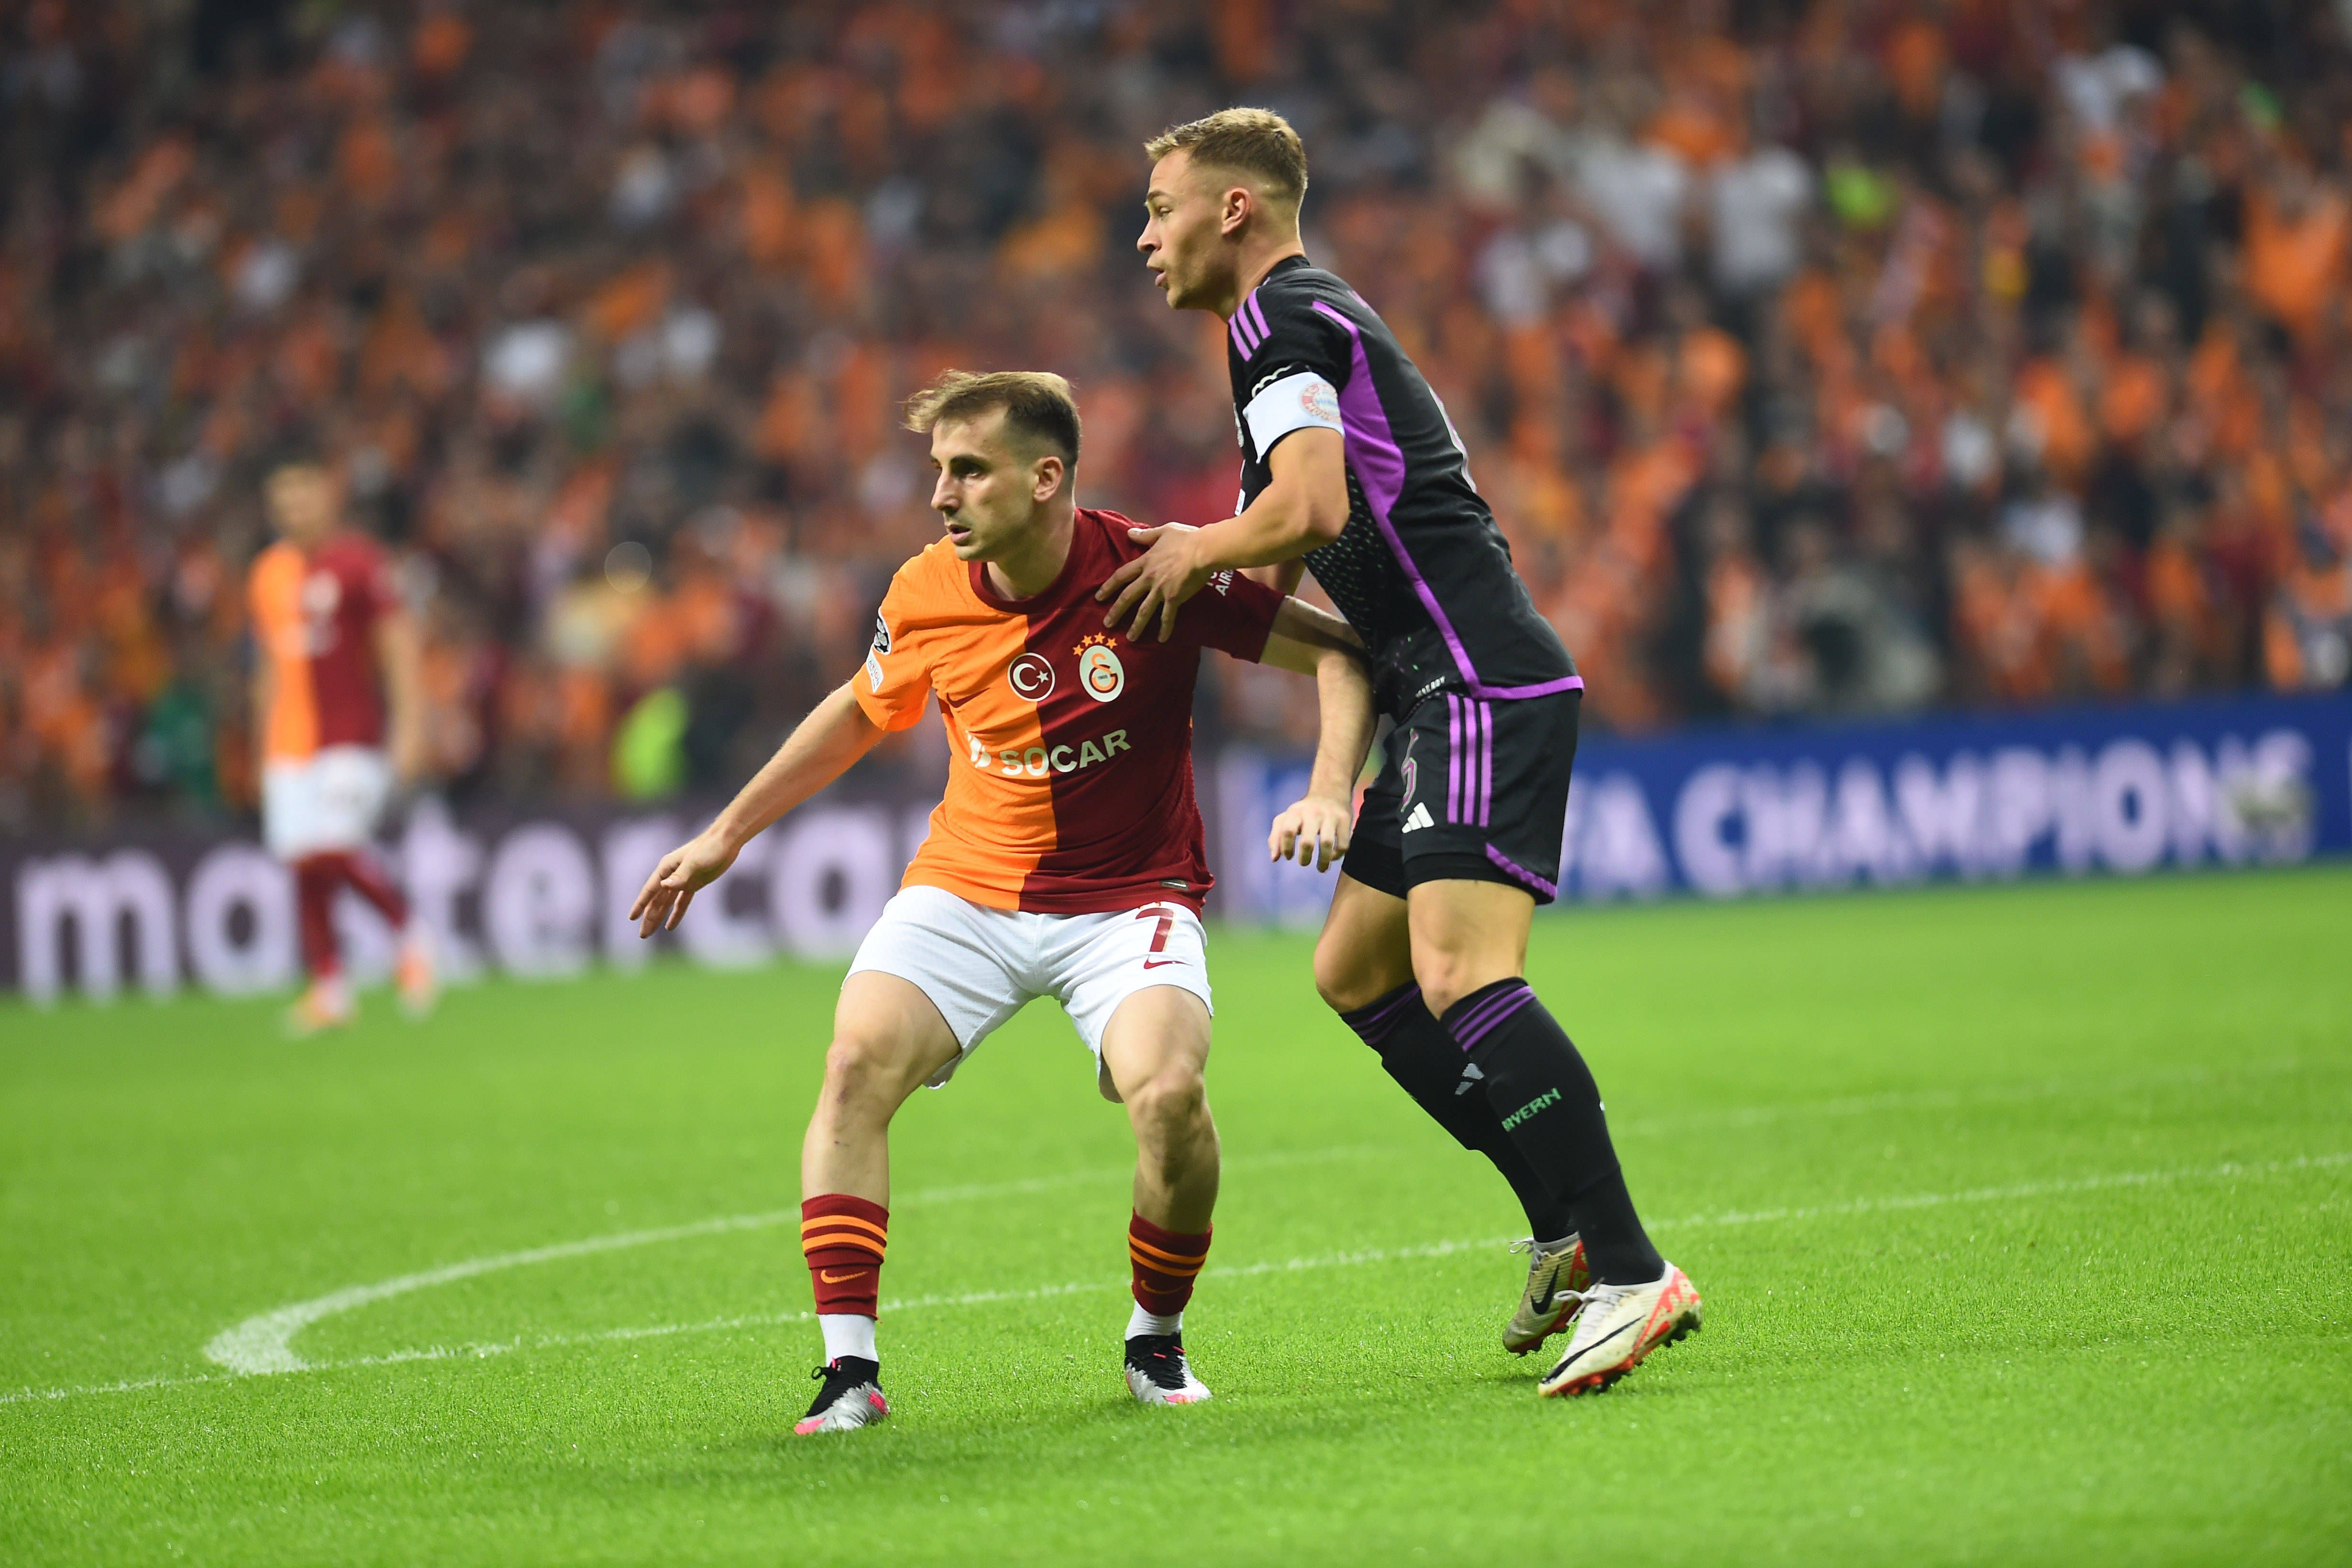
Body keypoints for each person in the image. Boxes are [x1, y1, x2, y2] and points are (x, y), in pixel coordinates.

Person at [632, 371, 1372, 1435]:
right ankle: (850, 1372)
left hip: (1129, 897)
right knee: (852, 1065)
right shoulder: (926, 590)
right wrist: (725, 835)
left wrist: (1327, 788)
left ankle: (1154, 1338)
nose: (943, 493)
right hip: (968, 887)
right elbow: (857, 709)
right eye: (939, 469)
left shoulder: (1153, 571)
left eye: (968, 469)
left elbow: (1340, 651)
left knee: (1167, 1094)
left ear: (1045, 477)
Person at [1110, 109, 1701, 1398]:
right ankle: (1563, 1223)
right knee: (1358, 969)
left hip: (1477, 677)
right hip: (1436, 684)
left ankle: (1632, 1267)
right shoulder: (1295, 324)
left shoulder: (1282, 321)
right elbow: (1349, 540)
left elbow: (1311, 509)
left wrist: (1193, 546)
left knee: (1455, 970)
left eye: (1161, 206)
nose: (1144, 234)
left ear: (1234, 211)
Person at [248, 454, 436, 1034]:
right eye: (281, 497)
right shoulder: (268, 574)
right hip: (289, 744)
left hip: (350, 735)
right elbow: (267, 668)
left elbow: (397, 648)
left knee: (334, 846)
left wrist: (409, 728)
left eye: (301, 493)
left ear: (327, 494)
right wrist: (261, 748)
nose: (292, 507)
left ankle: (410, 936)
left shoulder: (359, 563)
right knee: (306, 865)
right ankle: (329, 987)